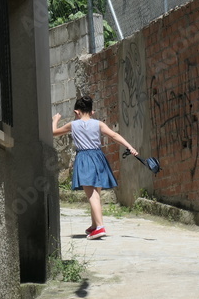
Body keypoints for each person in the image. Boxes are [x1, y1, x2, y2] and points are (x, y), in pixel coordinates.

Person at [53, 95, 138, 240]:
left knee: (92, 195)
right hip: (98, 157)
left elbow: (54, 133)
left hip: (84, 158)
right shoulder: (98, 124)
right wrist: (130, 147)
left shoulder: (73, 125)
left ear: (76, 112)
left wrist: (55, 120)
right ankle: (94, 225)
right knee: (96, 192)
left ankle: (99, 227)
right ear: (92, 112)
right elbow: (114, 135)